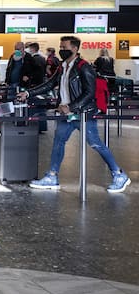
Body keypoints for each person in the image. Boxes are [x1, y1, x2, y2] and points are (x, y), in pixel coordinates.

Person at [20, 36, 130, 193]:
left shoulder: (84, 67)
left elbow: (89, 93)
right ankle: (52, 176)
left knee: (95, 143)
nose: (61, 49)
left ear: (74, 49)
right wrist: (28, 93)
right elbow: (50, 84)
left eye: (64, 46)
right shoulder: (63, 66)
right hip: (67, 114)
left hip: (82, 113)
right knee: (58, 142)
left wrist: (71, 106)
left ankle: (119, 174)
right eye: (60, 46)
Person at [26, 42, 49, 133]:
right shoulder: (43, 58)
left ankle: (35, 126)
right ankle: (42, 126)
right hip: (42, 85)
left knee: (34, 107)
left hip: (35, 86)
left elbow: (34, 72)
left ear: (32, 49)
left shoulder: (33, 59)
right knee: (41, 107)